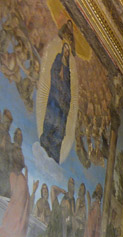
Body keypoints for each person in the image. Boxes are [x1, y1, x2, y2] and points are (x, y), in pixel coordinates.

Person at [40, 23, 74, 163]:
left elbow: (69, 89)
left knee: (60, 131)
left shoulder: (68, 70)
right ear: (62, 48)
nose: (66, 52)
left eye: (68, 51)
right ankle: (44, 150)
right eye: (65, 49)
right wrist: (60, 88)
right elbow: (53, 74)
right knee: (51, 123)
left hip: (62, 107)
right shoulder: (58, 60)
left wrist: (66, 96)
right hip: (55, 100)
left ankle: (53, 156)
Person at [0, 128, 30, 237]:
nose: (20, 137)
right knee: (14, 207)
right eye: (18, 134)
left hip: (19, 177)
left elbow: (22, 164)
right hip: (13, 175)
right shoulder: (12, 147)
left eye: (21, 135)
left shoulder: (20, 150)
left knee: (21, 208)